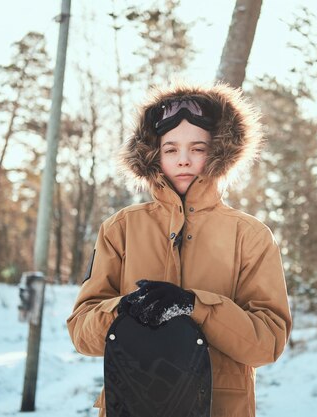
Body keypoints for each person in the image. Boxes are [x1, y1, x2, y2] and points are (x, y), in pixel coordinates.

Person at [67, 81, 292, 417]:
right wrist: (124, 310)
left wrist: (194, 306)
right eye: (171, 149)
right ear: (153, 154)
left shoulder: (250, 236)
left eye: (198, 149)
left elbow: (267, 343)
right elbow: (81, 332)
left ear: (218, 152)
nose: (184, 160)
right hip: (131, 405)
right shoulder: (121, 229)